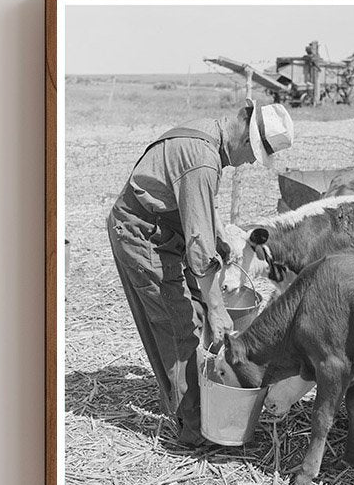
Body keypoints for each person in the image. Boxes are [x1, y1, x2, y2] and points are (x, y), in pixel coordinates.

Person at [106, 100, 294, 446]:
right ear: (242, 130)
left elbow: (200, 208)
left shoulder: (208, 134)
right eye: (253, 151)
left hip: (163, 226)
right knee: (179, 324)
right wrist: (218, 307)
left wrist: (219, 235)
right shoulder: (203, 160)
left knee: (193, 310)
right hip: (141, 230)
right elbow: (197, 244)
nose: (250, 160)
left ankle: (193, 402)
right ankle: (194, 431)